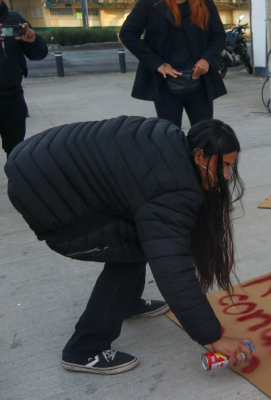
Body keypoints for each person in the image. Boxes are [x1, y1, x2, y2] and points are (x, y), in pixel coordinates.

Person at [4, 116, 253, 374]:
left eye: (229, 167)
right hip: (43, 193)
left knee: (139, 236)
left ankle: (127, 302)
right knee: (132, 252)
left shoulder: (173, 142)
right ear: (200, 155)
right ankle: (84, 349)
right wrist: (213, 336)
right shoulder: (173, 187)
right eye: (222, 165)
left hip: (35, 160)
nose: (225, 176)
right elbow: (172, 268)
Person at [120, 0, 227, 128]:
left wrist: (207, 59)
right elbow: (127, 34)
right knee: (170, 135)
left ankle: (199, 149)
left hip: (199, 81)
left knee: (204, 133)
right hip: (165, 83)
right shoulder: (149, 3)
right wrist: (157, 64)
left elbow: (219, 36)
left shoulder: (204, 3)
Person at [0, 0, 47, 156]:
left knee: (15, 150)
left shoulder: (15, 21)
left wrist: (32, 41)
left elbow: (40, 54)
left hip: (11, 98)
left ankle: (15, 180)